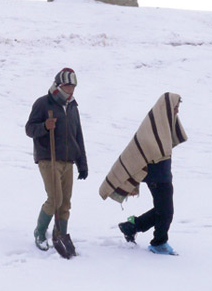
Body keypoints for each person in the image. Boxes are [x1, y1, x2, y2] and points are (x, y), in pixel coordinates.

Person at [98, 92, 187, 255]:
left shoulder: (164, 123)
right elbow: (145, 151)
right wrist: (135, 181)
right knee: (166, 211)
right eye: (175, 108)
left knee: (163, 210)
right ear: (166, 107)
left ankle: (131, 226)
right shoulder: (154, 125)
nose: (177, 112)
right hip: (156, 176)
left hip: (164, 174)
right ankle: (158, 243)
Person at [25, 68, 88, 251]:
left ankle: (59, 234)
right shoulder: (43, 103)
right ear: (59, 85)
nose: (71, 89)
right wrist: (45, 126)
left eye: (73, 86)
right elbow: (29, 129)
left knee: (65, 201)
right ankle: (39, 231)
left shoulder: (72, 107)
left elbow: (78, 136)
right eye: (68, 85)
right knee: (55, 199)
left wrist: (82, 164)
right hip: (48, 158)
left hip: (68, 161)